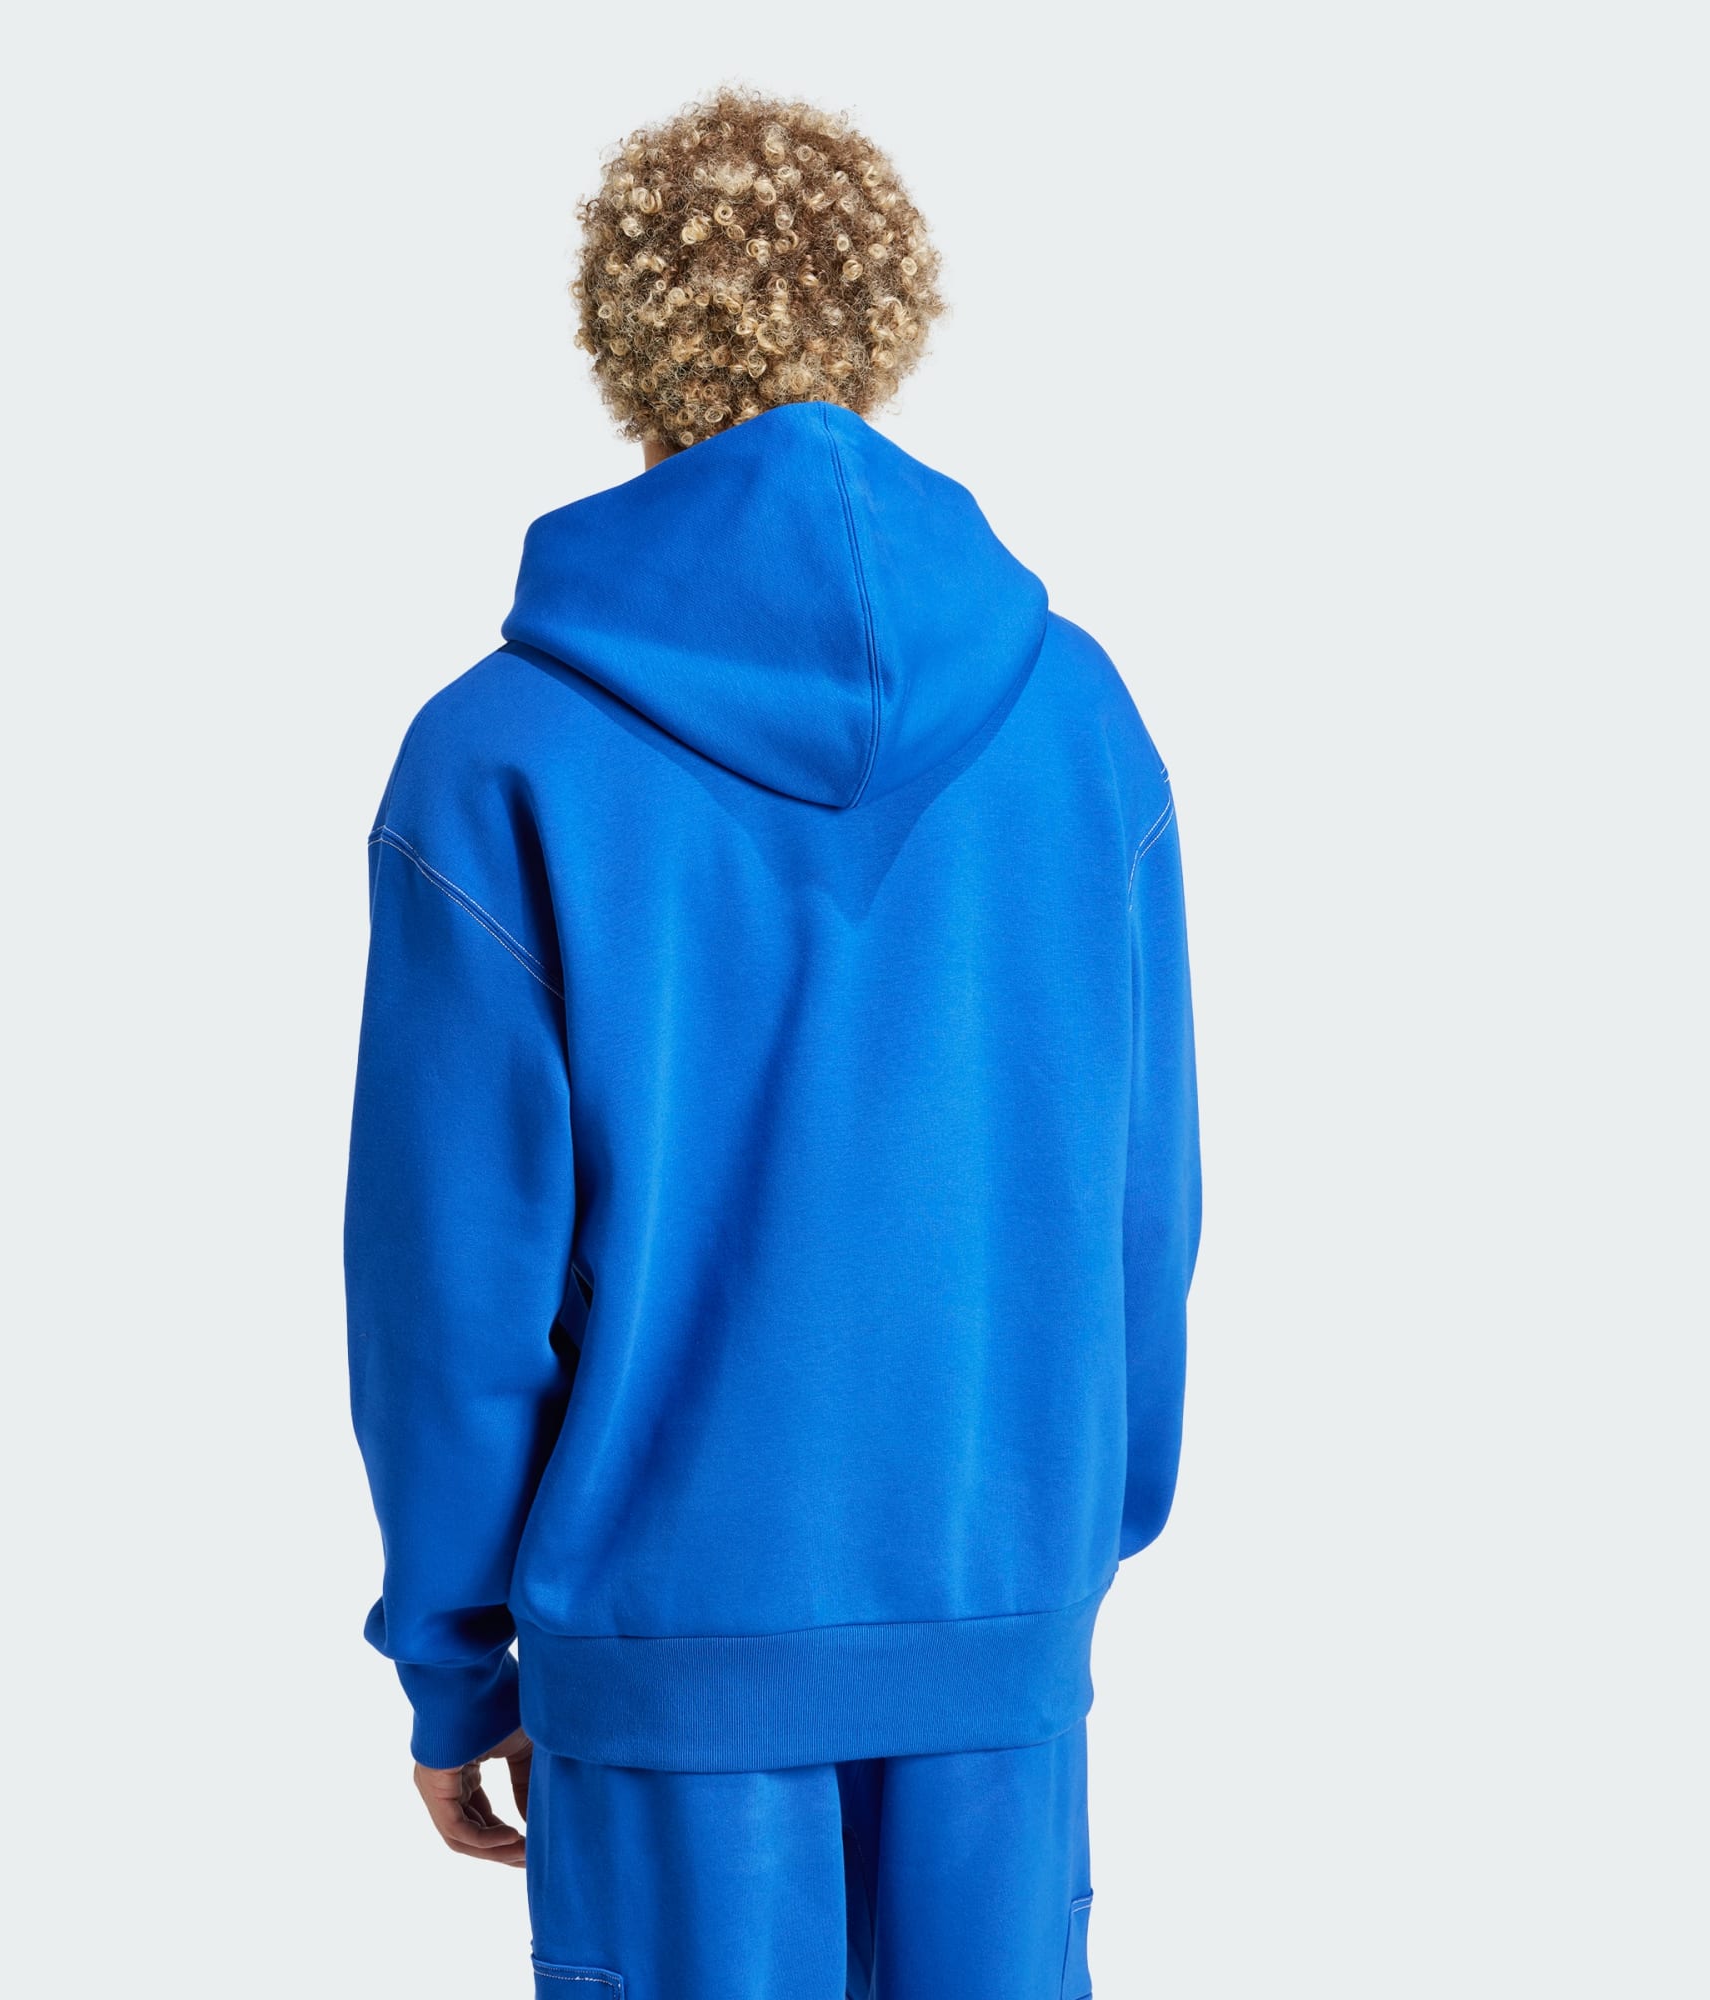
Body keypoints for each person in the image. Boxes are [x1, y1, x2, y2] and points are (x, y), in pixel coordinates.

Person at [345, 88, 1201, 1999]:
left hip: (667, 1664)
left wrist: (454, 1657)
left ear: (624, 335)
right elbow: (1140, 1208)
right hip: (997, 1634)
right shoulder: (1080, 724)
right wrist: (1053, 1552)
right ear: (890, 315)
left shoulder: (498, 758)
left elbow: (449, 1286)